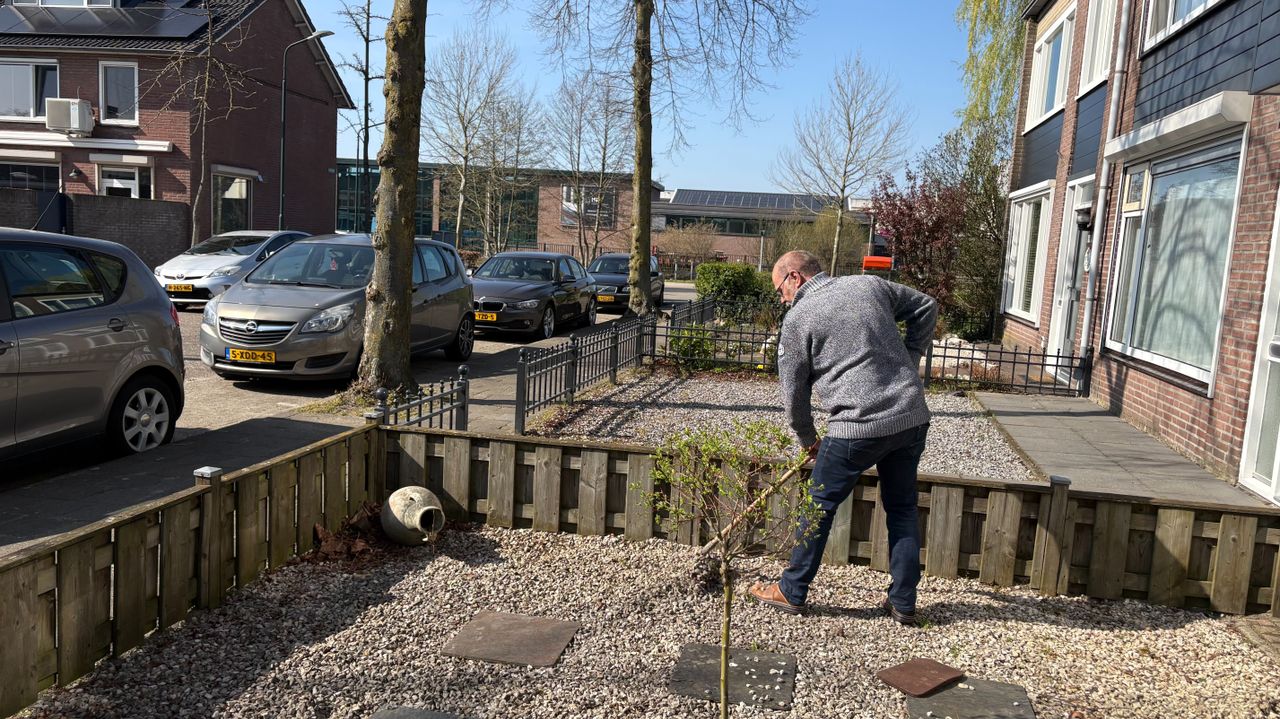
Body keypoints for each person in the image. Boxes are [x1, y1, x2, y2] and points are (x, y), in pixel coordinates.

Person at [749, 250, 937, 626]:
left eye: (780, 291)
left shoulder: (799, 318)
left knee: (818, 508)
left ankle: (792, 590)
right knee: (901, 508)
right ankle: (903, 601)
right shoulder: (868, 284)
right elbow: (926, 306)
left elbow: (793, 395)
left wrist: (807, 439)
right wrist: (910, 356)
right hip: (911, 417)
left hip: (856, 426)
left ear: (794, 278)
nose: (782, 299)